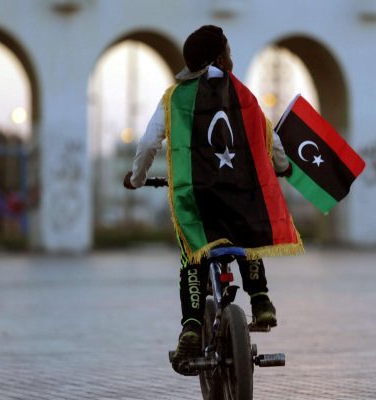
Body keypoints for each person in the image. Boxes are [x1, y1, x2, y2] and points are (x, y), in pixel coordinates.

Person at [123, 25, 301, 374]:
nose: (231, 56)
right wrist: (284, 167)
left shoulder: (175, 97)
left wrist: (137, 178)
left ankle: (191, 326)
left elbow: (147, 144)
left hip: (197, 199)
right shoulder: (242, 94)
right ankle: (261, 300)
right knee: (246, 234)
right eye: (228, 51)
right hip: (239, 196)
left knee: (194, 253)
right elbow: (270, 141)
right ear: (219, 58)